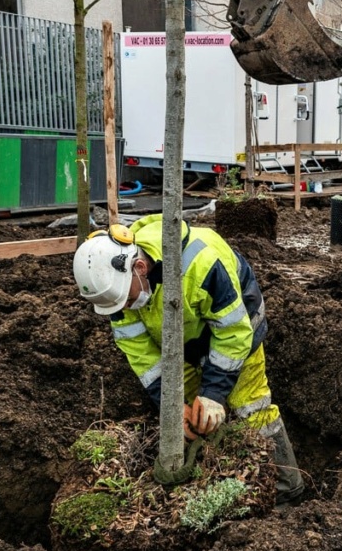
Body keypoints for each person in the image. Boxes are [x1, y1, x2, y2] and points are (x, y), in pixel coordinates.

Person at [72, 214, 305, 505]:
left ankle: (288, 487)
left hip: (237, 333)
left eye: (128, 301)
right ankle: (217, 478)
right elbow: (142, 355)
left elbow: (233, 332)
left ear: (140, 267)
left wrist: (215, 393)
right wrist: (171, 405)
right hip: (181, 344)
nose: (127, 308)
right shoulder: (117, 292)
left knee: (251, 406)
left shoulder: (203, 263)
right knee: (195, 419)